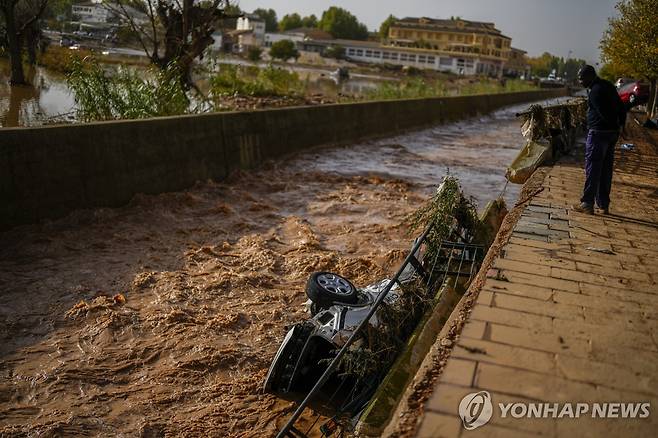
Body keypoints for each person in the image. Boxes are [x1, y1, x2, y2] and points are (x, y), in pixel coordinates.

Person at [573, 65, 626, 215]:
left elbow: (604, 113)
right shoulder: (608, 85)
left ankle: (587, 203)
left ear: (590, 76)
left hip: (598, 134)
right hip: (611, 134)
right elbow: (621, 106)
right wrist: (620, 125)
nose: (580, 81)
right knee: (605, 170)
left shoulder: (595, 91)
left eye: (581, 78)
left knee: (593, 168)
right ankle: (603, 204)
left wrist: (608, 125)